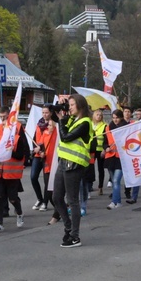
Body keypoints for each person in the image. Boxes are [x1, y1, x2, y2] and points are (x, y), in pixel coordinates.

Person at [53, 94, 92, 248]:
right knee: (56, 197)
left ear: (81, 105)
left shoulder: (85, 122)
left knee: (72, 200)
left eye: (72, 105)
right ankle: (68, 226)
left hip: (75, 164)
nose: (69, 107)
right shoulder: (73, 119)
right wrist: (60, 108)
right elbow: (55, 113)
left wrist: (62, 120)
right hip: (63, 162)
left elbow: (65, 137)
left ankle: (74, 236)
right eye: (68, 105)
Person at [0, 106, 28, 233]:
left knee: (12, 197)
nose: (3, 120)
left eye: (5, 117)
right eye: (0, 118)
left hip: (12, 171)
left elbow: (21, 153)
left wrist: (10, 151)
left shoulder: (17, 130)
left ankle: (19, 213)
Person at [30, 107, 52, 210]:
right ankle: (40, 199)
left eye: (46, 112)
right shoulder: (39, 124)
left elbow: (51, 140)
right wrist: (36, 149)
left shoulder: (53, 125)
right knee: (33, 177)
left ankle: (45, 202)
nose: (44, 114)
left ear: (51, 113)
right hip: (38, 155)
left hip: (48, 155)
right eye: (43, 112)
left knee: (46, 180)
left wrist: (42, 149)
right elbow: (35, 139)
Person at [105, 109, 126, 209]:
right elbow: (105, 142)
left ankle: (114, 202)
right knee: (114, 181)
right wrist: (106, 148)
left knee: (116, 180)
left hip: (121, 157)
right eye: (113, 118)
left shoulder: (126, 127)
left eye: (117, 118)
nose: (115, 120)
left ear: (121, 117)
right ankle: (118, 202)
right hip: (110, 157)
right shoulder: (108, 127)